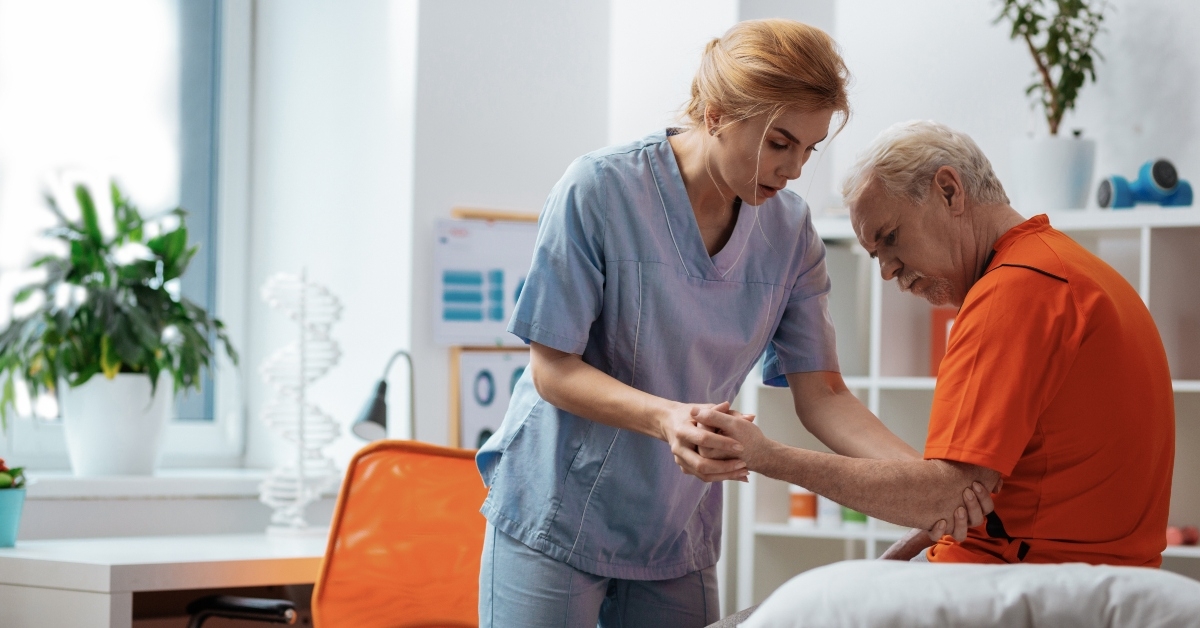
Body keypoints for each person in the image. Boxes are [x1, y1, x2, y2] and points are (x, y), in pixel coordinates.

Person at [475, 22, 990, 627]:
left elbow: (822, 395)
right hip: (555, 512)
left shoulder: (791, 234)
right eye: (780, 143)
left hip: (674, 529)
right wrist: (666, 417)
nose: (795, 168)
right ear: (717, 114)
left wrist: (927, 487)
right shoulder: (600, 190)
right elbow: (552, 369)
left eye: (809, 148)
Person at [696, 120, 1175, 566]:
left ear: (949, 190)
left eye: (890, 238)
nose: (887, 271)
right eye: (874, 255)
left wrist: (765, 456)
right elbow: (966, 501)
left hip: (1022, 587)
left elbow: (944, 495)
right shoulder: (1074, 271)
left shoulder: (1014, 292)